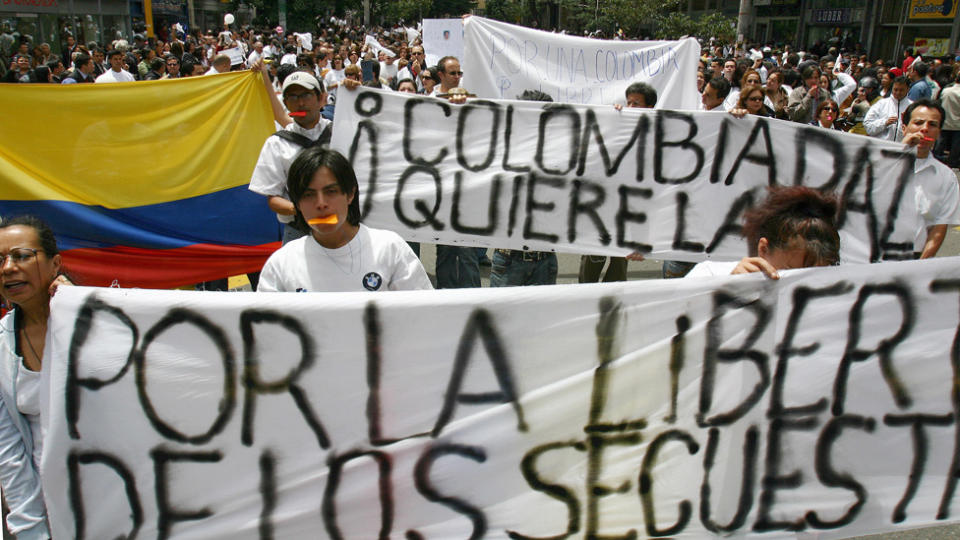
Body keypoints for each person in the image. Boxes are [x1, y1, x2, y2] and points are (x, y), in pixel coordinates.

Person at [257, 147, 431, 292]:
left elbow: (425, 315)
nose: (321, 204)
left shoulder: (390, 248)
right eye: (308, 195)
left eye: (330, 192)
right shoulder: (281, 264)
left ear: (350, 194)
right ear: (298, 203)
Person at [0, 215, 72, 538]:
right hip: (48, 517)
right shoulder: (2, 346)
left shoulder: (97, 322)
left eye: (22, 256)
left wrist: (81, 308)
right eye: (0, 260)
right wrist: (32, 531)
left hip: (119, 508)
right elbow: (9, 454)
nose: (8, 268)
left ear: (55, 263)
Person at [580, 82, 657, 282]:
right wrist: (612, 119)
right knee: (593, 258)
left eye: (636, 104)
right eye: (628, 102)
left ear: (649, 108)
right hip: (604, 206)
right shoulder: (617, 124)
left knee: (619, 263)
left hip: (631, 210)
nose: (630, 107)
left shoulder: (656, 133)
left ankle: (611, 303)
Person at [686, 186, 840, 279]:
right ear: (764, 250)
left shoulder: (841, 298)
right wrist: (726, 294)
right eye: (790, 273)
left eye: (817, 277)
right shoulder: (709, 276)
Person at [492, 90, 560, 288]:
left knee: (543, 319)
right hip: (508, 258)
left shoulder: (561, 153)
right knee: (501, 318)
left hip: (545, 259)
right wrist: (457, 108)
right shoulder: (500, 148)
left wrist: (621, 117)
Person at [900, 99, 960, 258]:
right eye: (918, 123)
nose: (924, 129)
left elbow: (938, 229)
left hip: (915, 257)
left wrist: (921, 265)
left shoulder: (946, 177)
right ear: (904, 127)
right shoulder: (880, 164)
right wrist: (900, 152)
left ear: (939, 133)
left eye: (932, 125)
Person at [863, 75, 911, 141]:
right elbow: (868, 126)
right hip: (881, 146)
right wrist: (884, 122)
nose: (898, 93)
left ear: (908, 89)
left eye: (901, 90)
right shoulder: (881, 104)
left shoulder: (912, 107)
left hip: (902, 148)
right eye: (895, 89)